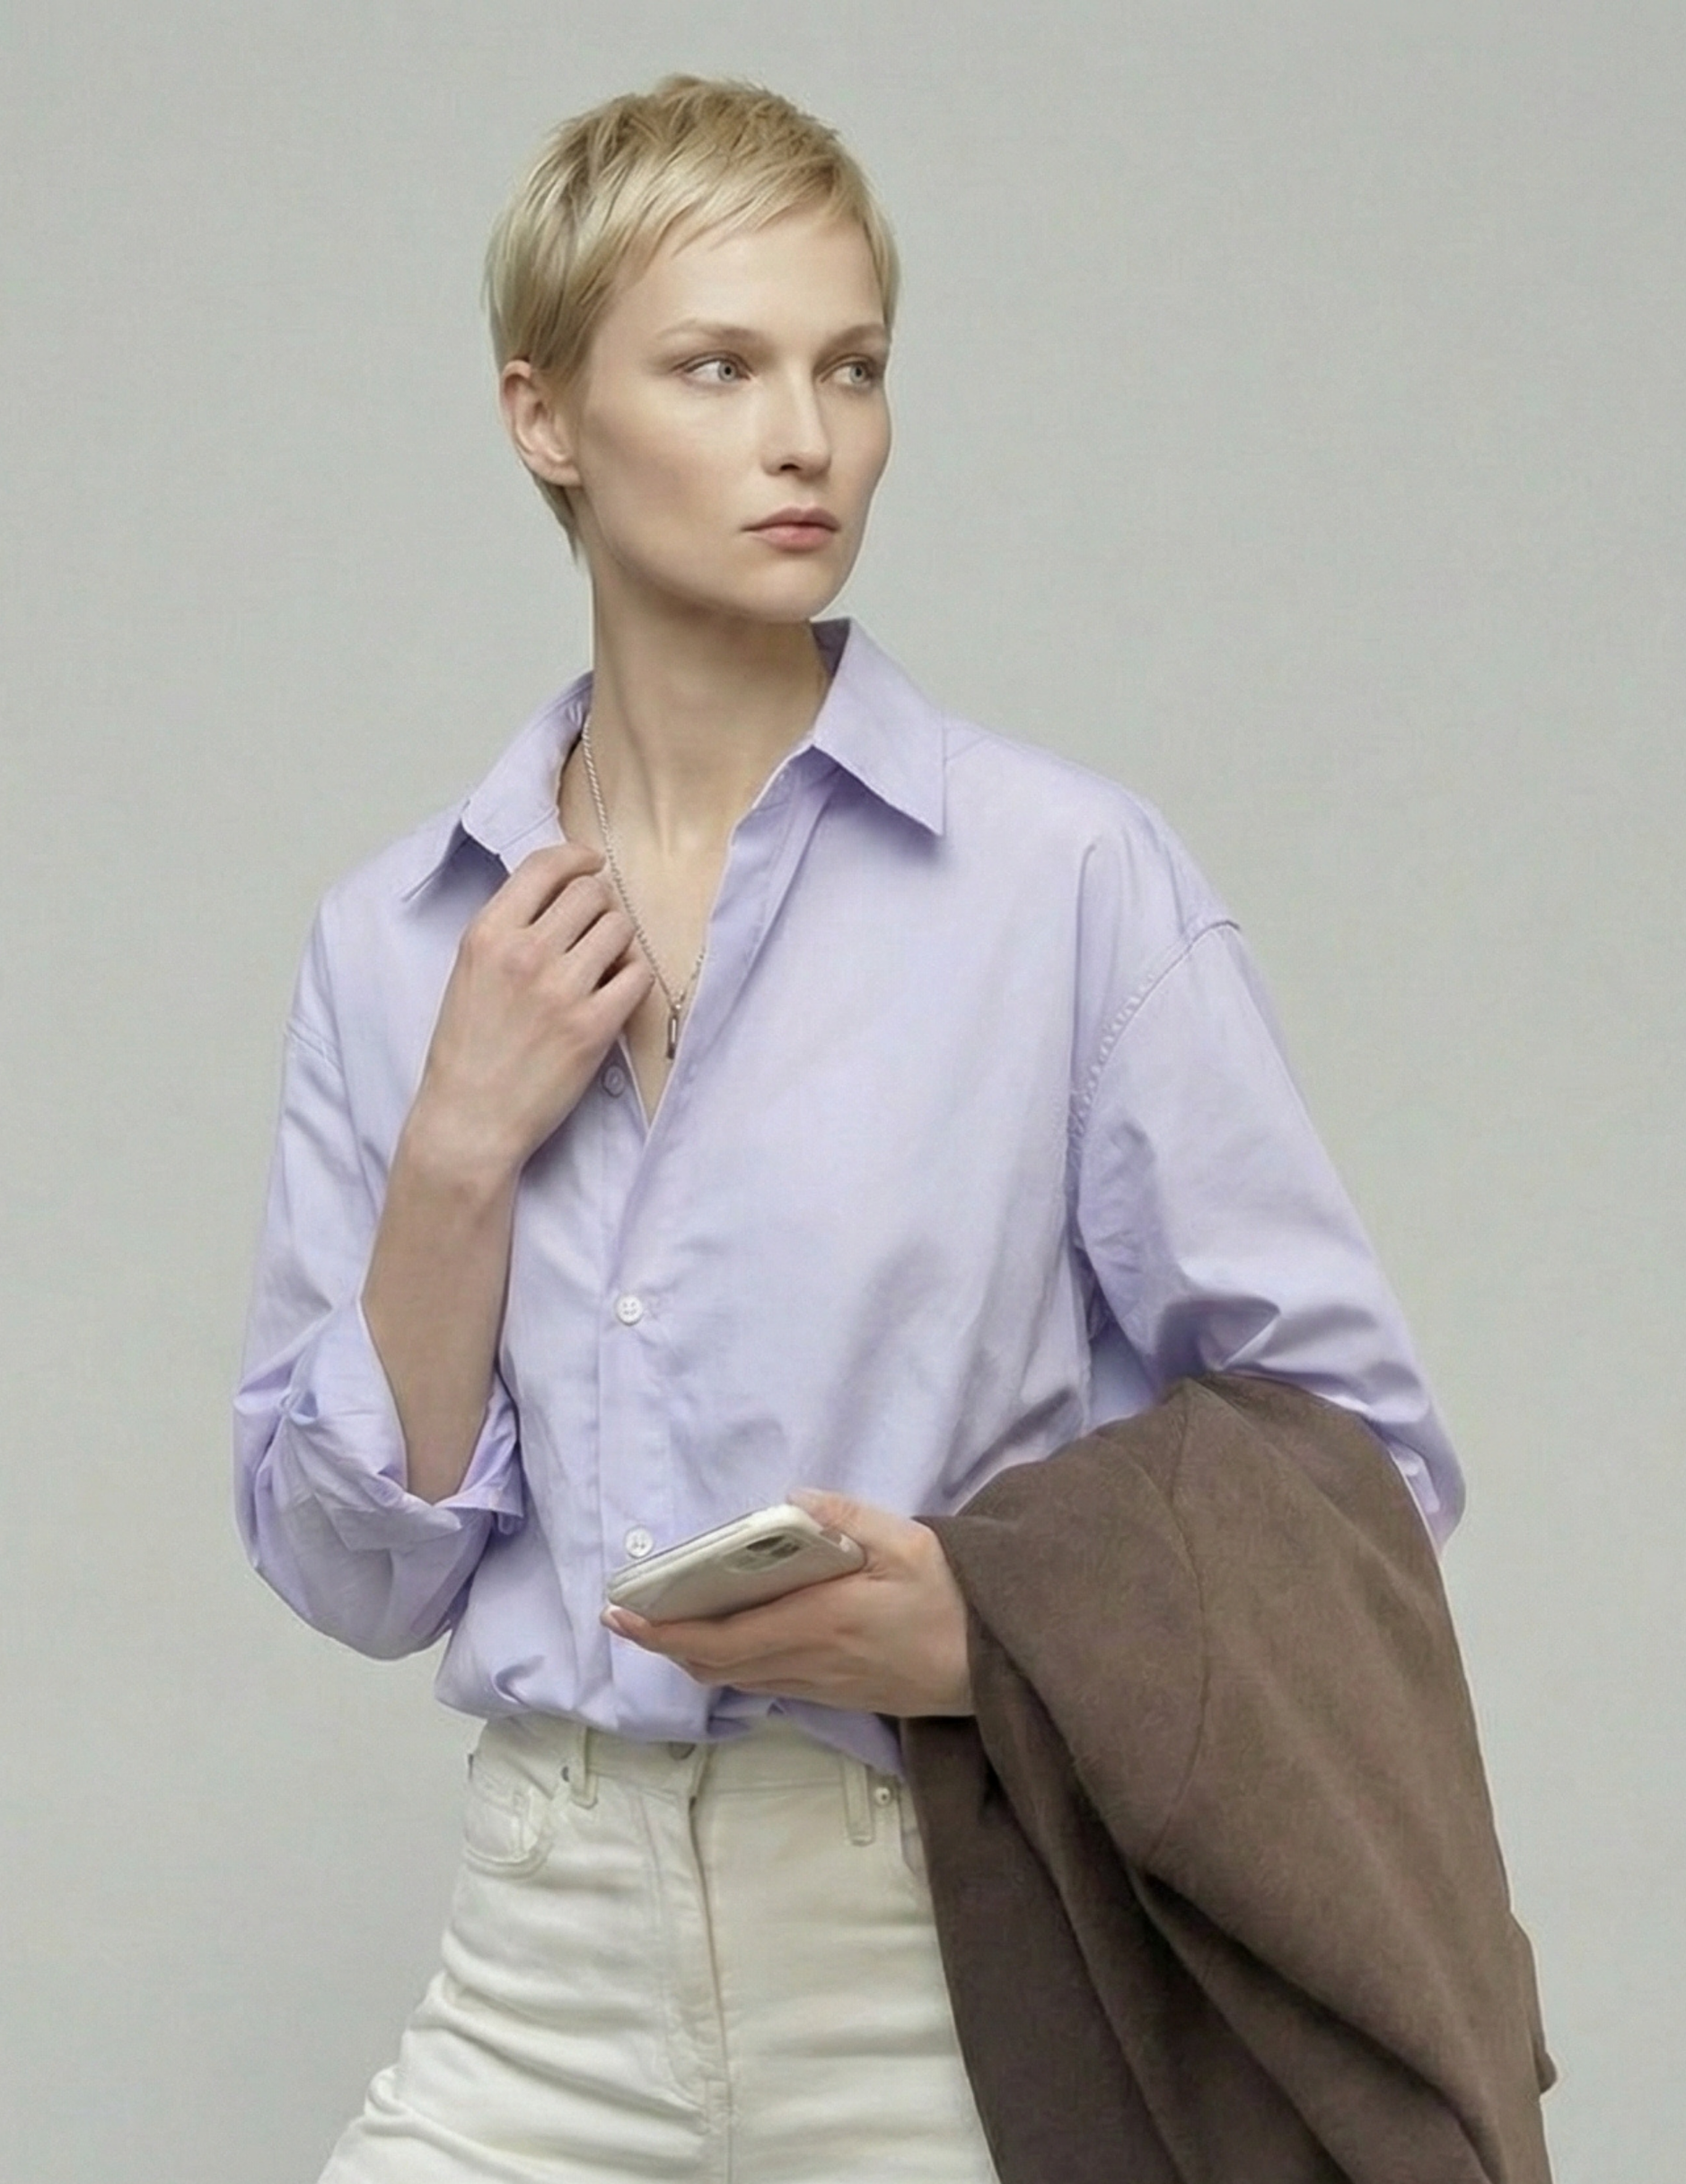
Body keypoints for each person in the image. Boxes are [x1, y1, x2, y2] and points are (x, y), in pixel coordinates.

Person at [234, 74, 1462, 2184]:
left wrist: (992, 1632)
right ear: (544, 415)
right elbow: (357, 1576)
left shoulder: (1064, 885)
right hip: (539, 1965)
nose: (807, 436)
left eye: (853, 367)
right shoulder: (396, 941)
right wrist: (453, 1153)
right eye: (718, 367)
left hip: (943, 1962)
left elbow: (1361, 1461)